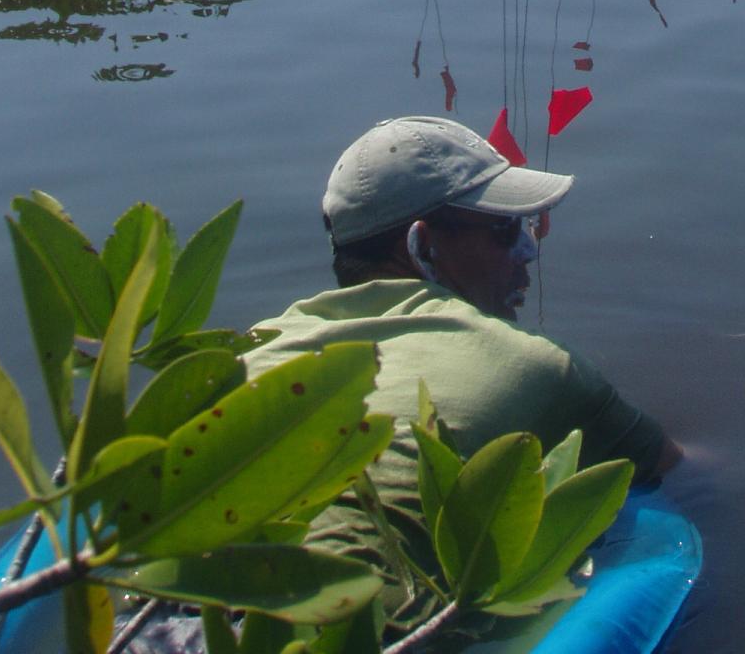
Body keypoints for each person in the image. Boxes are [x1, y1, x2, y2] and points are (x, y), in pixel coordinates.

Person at [243, 116, 681, 640]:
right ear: (422, 248)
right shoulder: (534, 366)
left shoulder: (256, 346)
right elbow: (677, 472)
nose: (529, 251)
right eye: (504, 230)